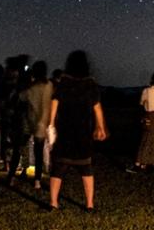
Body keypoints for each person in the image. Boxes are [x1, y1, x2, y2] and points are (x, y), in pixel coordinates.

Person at [48, 50, 107, 211]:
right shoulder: (90, 85)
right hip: (83, 130)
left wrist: (51, 124)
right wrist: (100, 127)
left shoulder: (63, 83)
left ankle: (53, 202)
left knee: (58, 167)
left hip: (65, 129)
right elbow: (97, 108)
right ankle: (89, 204)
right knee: (86, 168)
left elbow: (54, 103)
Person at [25, 60, 53, 190]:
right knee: (42, 151)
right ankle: (39, 178)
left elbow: (23, 99)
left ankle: (36, 179)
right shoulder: (48, 85)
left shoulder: (31, 87)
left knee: (34, 151)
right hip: (44, 123)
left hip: (31, 122)